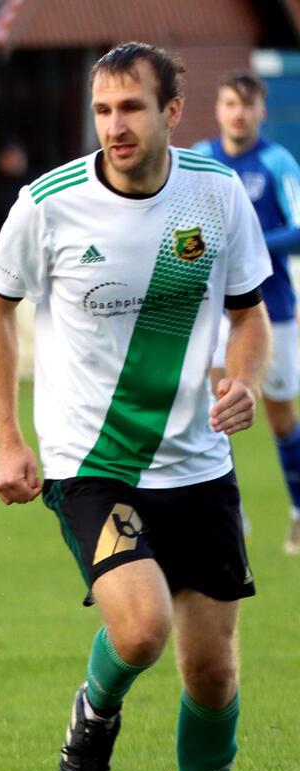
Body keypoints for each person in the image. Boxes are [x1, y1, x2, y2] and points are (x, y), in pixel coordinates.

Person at [0, 43, 271, 771]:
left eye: (131, 109)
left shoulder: (216, 198)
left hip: (199, 464)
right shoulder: (51, 204)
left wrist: (243, 380)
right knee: (141, 629)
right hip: (90, 462)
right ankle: (93, 714)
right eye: (103, 111)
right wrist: (5, 436)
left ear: (173, 111)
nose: (115, 127)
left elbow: (250, 315)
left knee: (212, 673)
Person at [194, 71, 300, 553]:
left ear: (260, 111)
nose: (238, 113)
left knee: (280, 414)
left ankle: (298, 511)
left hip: (271, 307)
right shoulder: (199, 159)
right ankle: (229, 515)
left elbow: (298, 228)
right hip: (213, 307)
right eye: (229, 103)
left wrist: (247, 243)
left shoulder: (277, 162)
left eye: (247, 104)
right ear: (218, 109)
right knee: (215, 405)